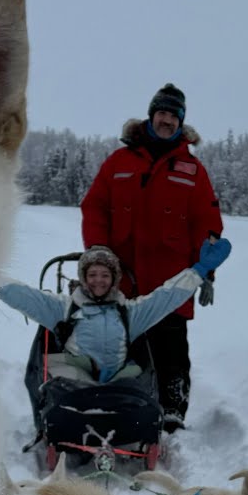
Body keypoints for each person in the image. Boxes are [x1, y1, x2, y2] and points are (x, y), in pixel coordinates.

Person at [80, 83, 224, 431]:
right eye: (162, 113)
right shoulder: (119, 162)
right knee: (119, 344)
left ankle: (171, 413)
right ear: (151, 115)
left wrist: (207, 271)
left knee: (171, 350)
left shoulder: (192, 169)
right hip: (123, 277)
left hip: (171, 280)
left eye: (174, 115)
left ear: (181, 122)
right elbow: (95, 207)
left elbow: (208, 223)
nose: (166, 120)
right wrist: (98, 251)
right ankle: (117, 402)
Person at [0, 240, 231, 393]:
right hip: (77, 377)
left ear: (114, 278)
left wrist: (198, 272)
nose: (98, 280)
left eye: (105, 275)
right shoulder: (63, 308)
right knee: (59, 384)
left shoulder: (129, 311)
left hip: (118, 378)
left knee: (138, 387)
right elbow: (24, 296)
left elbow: (166, 296)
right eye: (92, 274)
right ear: (83, 278)